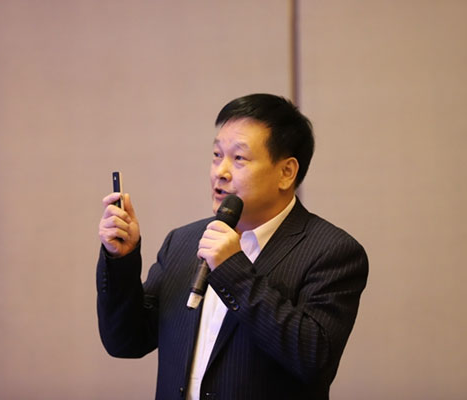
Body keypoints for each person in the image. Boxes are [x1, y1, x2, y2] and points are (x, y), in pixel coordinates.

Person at [96, 93, 368, 400]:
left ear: (286, 172)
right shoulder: (183, 242)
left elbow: (313, 359)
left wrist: (232, 270)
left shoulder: (332, 252)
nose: (220, 172)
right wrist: (121, 258)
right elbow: (126, 341)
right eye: (216, 155)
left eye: (239, 158)